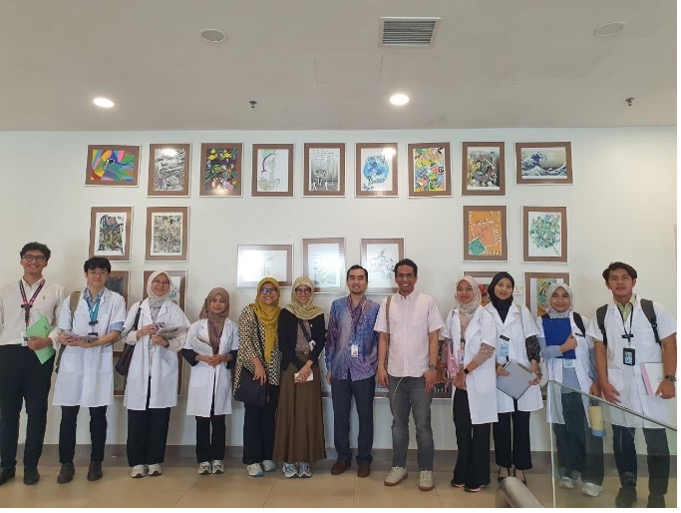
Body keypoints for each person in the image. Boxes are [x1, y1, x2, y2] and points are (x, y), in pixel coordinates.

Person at [587, 262, 676, 508]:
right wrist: (603, 382)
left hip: (652, 387)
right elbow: (599, 349)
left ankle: (657, 494)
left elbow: (669, 344)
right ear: (608, 284)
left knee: (657, 444)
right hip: (619, 387)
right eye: (614, 278)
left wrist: (669, 379)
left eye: (625, 277)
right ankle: (628, 489)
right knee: (623, 441)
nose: (620, 282)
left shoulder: (653, 309)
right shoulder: (602, 314)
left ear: (633, 281)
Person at [53, 257, 126, 484]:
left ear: (107, 276)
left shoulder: (116, 300)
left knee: (98, 416)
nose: (97, 276)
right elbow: (62, 329)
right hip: (74, 360)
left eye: (102, 272)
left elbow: (116, 332)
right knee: (68, 416)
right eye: (93, 271)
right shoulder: (73, 299)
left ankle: (96, 462)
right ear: (86, 274)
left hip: (98, 359)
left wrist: (92, 343)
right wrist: (65, 337)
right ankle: (66, 464)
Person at [374, 258, 444, 492]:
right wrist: (381, 367)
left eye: (409, 275)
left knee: (423, 425)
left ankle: (426, 470)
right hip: (395, 374)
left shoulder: (427, 302)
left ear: (415, 278)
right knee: (398, 424)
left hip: (421, 374)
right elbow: (384, 338)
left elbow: (434, 337)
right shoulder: (387, 303)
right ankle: (399, 467)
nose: (405, 279)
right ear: (396, 278)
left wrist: (432, 368)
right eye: (401, 275)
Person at [0, 242, 65, 486]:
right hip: (9, 354)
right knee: (7, 413)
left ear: (46, 262)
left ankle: (31, 467)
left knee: (36, 412)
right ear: (21, 260)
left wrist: (48, 340)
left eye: (39, 258)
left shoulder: (56, 290)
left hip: (40, 354)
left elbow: (62, 324)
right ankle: (6, 465)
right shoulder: (6, 290)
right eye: (29, 257)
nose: (33, 261)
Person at [537, 283, 604, 497]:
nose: (560, 300)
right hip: (559, 388)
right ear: (548, 299)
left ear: (570, 299)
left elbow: (594, 354)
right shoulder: (542, 322)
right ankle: (568, 473)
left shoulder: (582, 321)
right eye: (555, 296)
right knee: (563, 433)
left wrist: (597, 382)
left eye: (564, 296)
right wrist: (564, 348)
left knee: (591, 434)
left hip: (585, 388)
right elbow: (542, 352)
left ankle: (593, 479)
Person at [122, 271, 189, 478]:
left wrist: (165, 342)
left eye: (165, 282)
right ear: (149, 284)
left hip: (163, 369)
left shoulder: (173, 309)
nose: (161, 285)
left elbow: (184, 336)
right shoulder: (137, 307)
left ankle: (154, 460)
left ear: (169, 286)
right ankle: (137, 462)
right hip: (139, 369)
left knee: (159, 418)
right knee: (137, 417)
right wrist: (140, 333)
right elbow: (122, 335)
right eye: (157, 282)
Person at [485, 271, 542, 485]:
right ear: (493, 287)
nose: (504, 289)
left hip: (521, 373)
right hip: (498, 373)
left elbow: (531, 340)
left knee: (521, 422)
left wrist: (533, 366)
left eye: (508, 286)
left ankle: (520, 467)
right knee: (500, 424)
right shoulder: (485, 312)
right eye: (500, 284)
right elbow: (481, 344)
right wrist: (494, 365)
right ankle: (503, 465)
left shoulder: (521, 311)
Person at [442, 276, 497, 493]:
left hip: (478, 379)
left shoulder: (486, 316)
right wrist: (448, 367)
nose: (464, 293)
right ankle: (462, 473)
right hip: (459, 382)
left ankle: (479, 476)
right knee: (462, 430)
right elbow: (447, 343)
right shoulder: (453, 313)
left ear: (476, 292)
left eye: (468, 289)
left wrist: (465, 371)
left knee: (481, 431)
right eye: (460, 289)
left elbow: (487, 349)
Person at [325, 265, 380, 478]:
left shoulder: (375, 308)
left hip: (365, 371)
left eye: (360, 278)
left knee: (365, 417)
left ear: (366, 282)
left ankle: (364, 459)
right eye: (352, 278)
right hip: (340, 369)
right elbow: (331, 338)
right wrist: (329, 366)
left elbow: (379, 340)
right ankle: (343, 458)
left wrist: (376, 365)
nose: (356, 281)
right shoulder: (337, 306)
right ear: (347, 281)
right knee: (340, 416)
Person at [273, 276, 327, 478]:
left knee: (308, 411)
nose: (303, 294)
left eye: (307, 290)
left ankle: (305, 459)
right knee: (289, 410)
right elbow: (283, 343)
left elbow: (320, 341)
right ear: (294, 292)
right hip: (291, 366)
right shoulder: (286, 313)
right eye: (299, 290)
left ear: (311, 292)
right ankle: (288, 459)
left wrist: (308, 365)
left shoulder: (318, 314)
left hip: (311, 365)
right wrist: (300, 366)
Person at [182, 287, 239, 476]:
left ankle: (217, 459)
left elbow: (236, 352)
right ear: (208, 302)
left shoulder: (232, 326)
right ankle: (203, 460)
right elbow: (186, 350)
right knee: (202, 421)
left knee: (219, 420)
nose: (217, 304)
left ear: (227, 304)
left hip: (221, 377)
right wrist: (201, 357)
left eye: (222, 301)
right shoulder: (196, 326)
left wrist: (223, 358)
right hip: (202, 376)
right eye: (214, 300)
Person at [235, 277, 282, 477]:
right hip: (254, 371)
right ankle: (252, 459)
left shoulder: (280, 314)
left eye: (272, 290)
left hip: (275, 373)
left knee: (269, 416)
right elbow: (245, 341)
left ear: (277, 293)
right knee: (253, 416)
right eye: (264, 290)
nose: (268, 293)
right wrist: (257, 365)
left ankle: (266, 456)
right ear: (258, 292)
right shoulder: (250, 311)